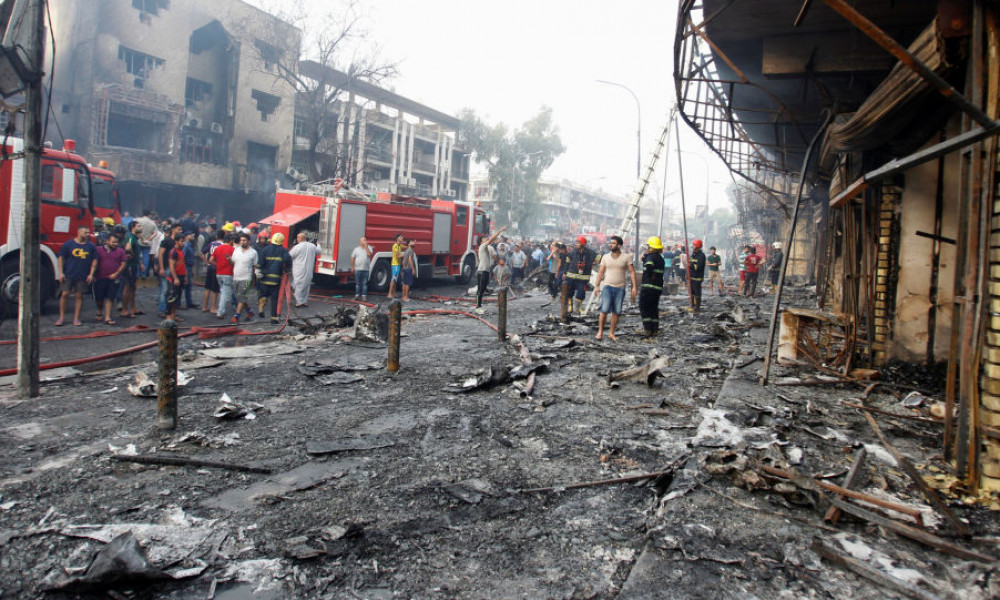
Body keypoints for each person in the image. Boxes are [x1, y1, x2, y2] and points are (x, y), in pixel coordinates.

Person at [592, 235, 636, 340]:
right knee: (604, 310)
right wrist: (596, 286)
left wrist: (634, 287)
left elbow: (632, 272)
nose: (610, 245)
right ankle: (600, 332)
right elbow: (601, 272)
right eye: (610, 243)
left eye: (613, 243)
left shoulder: (626, 257)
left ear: (619, 245)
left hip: (620, 288)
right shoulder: (606, 257)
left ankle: (611, 333)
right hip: (607, 287)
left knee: (616, 311)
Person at [55, 226, 97, 326]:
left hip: (82, 275)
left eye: (88, 232)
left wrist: (91, 274)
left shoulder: (91, 246)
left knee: (79, 296)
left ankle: (76, 318)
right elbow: (61, 258)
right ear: (79, 232)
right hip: (69, 274)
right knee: (65, 294)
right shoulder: (68, 244)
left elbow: (95, 260)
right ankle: (61, 318)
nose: (87, 235)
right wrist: (60, 272)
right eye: (85, 232)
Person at [257, 232, 292, 324]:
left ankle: (261, 304)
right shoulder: (284, 251)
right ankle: (273, 318)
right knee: (274, 298)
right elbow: (288, 260)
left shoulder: (265, 249)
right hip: (276, 279)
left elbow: (260, 262)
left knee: (264, 294)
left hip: (265, 278)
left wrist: (259, 272)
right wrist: (287, 269)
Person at [93, 233, 127, 325]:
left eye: (116, 242)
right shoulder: (98, 250)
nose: (114, 244)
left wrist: (116, 273)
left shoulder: (120, 251)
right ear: (107, 241)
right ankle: (100, 310)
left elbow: (123, 263)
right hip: (100, 277)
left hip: (114, 278)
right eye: (112, 242)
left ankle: (107, 316)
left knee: (110, 297)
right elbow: (94, 261)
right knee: (99, 298)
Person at [638, 236, 665, 337]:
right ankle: (655, 329)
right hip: (657, 288)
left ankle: (647, 329)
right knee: (653, 308)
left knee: (644, 307)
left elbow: (649, 267)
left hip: (648, 287)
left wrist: (645, 261)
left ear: (651, 247)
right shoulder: (661, 259)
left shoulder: (650, 257)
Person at [563, 235, 597, 315]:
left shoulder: (590, 253)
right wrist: (565, 273)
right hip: (571, 276)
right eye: (576, 242)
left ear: (583, 244)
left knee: (581, 293)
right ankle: (570, 306)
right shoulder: (572, 252)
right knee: (569, 292)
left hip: (583, 278)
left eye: (578, 243)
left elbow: (600, 259)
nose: (576, 244)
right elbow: (567, 263)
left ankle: (578, 308)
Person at [475, 225, 506, 309]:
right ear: (481, 242)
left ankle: (477, 304)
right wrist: (500, 230)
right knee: (481, 290)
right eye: (484, 239)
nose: (486, 239)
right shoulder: (483, 246)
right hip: (483, 271)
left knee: (481, 289)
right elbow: (492, 239)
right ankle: (478, 306)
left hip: (482, 270)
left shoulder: (484, 248)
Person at [155, 223, 182, 317]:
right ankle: (162, 310)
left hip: (173, 269)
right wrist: (161, 268)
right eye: (179, 229)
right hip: (166, 268)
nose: (180, 231)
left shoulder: (177, 242)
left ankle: (169, 311)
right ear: (173, 229)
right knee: (165, 290)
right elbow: (160, 254)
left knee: (172, 291)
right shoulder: (166, 241)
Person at [231, 232, 258, 323]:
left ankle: (236, 316)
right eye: (241, 240)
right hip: (236, 276)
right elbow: (233, 262)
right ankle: (249, 311)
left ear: (249, 241)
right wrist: (228, 260)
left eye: (244, 240)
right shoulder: (236, 250)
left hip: (246, 277)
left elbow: (255, 266)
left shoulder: (253, 252)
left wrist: (255, 277)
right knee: (239, 297)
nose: (242, 242)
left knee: (242, 297)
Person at [289, 232, 319, 307]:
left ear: (299, 238)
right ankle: (304, 301)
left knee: (299, 285)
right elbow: (318, 251)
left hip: (299, 269)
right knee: (307, 285)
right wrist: (319, 245)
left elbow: (290, 256)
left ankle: (299, 302)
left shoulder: (297, 247)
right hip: (309, 269)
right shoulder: (312, 246)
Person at [120, 221, 142, 318]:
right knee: (128, 286)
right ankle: (125, 310)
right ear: (133, 227)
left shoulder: (134, 238)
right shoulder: (130, 237)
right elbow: (128, 248)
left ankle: (132, 308)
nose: (141, 227)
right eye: (138, 226)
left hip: (134, 265)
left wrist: (139, 263)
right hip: (129, 265)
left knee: (133, 287)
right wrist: (132, 255)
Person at [211, 233, 236, 319]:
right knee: (224, 293)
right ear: (230, 240)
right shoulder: (233, 249)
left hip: (219, 273)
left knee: (222, 292)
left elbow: (211, 260)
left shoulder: (218, 248)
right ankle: (220, 312)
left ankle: (221, 310)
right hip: (228, 273)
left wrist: (218, 265)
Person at [165, 230, 187, 320]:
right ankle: (168, 316)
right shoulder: (173, 252)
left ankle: (173, 315)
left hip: (181, 275)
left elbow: (183, 264)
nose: (183, 243)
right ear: (176, 241)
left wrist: (185, 276)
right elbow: (171, 266)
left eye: (183, 241)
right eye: (181, 241)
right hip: (175, 277)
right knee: (171, 297)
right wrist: (175, 278)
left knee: (177, 297)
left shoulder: (181, 251)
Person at [201, 229, 225, 313]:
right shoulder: (223, 245)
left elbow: (202, 252)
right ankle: (213, 307)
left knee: (207, 287)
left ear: (216, 236)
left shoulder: (212, 244)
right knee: (215, 289)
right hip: (217, 267)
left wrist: (206, 262)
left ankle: (204, 306)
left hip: (210, 267)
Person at [350, 236, 373, 301]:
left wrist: (366, 247)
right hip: (358, 269)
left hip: (366, 269)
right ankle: (357, 295)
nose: (365, 241)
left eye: (365, 240)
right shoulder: (356, 249)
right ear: (360, 242)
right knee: (358, 283)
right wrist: (352, 267)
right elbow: (352, 258)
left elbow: (369, 254)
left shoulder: (369, 248)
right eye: (363, 240)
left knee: (364, 283)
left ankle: (364, 296)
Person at [689, 239, 706, 312]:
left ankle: (697, 307)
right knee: (692, 292)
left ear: (697, 246)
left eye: (694, 245)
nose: (692, 246)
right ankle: (693, 305)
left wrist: (691, 265)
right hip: (692, 276)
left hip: (697, 277)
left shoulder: (701, 255)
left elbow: (698, 267)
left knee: (697, 292)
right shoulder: (693, 254)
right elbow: (690, 263)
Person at [387, 233, 406, 300]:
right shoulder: (395, 246)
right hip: (395, 264)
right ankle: (389, 293)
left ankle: (394, 293)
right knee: (393, 279)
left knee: (395, 279)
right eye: (401, 237)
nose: (402, 238)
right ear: (397, 238)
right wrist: (406, 254)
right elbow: (398, 256)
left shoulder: (399, 245)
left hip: (398, 264)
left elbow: (405, 247)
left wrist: (410, 246)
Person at [182, 232, 198, 309]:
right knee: (184, 285)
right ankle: (179, 304)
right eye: (191, 234)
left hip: (189, 267)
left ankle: (189, 302)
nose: (193, 236)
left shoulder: (189, 245)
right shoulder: (186, 245)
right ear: (187, 236)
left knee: (188, 286)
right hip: (186, 267)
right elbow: (183, 258)